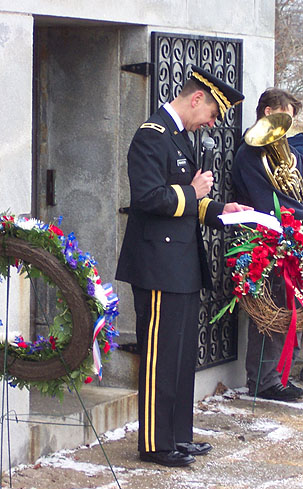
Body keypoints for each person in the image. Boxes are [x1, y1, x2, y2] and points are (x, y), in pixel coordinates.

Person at [116, 65, 252, 467]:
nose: (210, 123)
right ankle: (156, 444)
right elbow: (148, 198)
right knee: (160, 356)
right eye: (211, 114)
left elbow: (189, 201)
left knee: (179, 356)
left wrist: (220, 209)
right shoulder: (151, 135)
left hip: (181, 263)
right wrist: (193, 194)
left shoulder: (178, 137)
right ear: (196, 99)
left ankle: (177, 435)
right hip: (157, 264)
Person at [232, 87, 303, 402]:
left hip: (288, 237)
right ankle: (264, 382)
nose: (287, 126)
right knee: (272, 311)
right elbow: (272, 201)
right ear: (267, 112)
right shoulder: (250, 153)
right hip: (266, 239)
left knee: (289, 307)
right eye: (284, 117)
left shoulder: (283, 150)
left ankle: (280, 377)